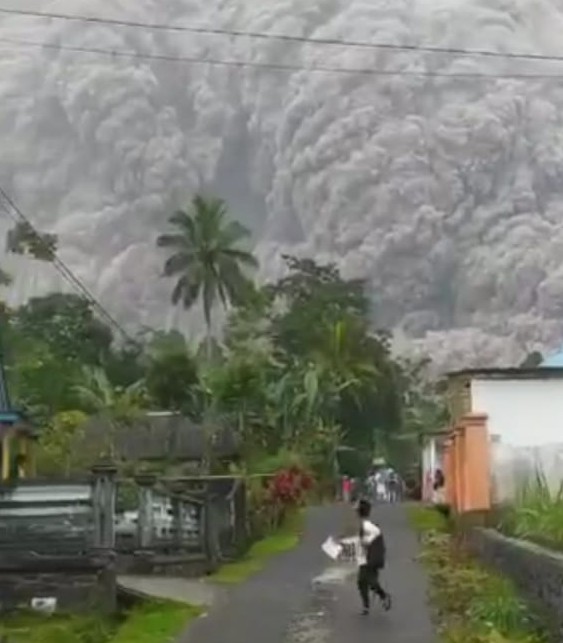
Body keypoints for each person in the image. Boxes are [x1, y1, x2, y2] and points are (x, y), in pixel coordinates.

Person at [350, 498, 392, 615]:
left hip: (371, 558)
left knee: (370, 581)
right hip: (365, 558)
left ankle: (383, 596)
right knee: (362, 581)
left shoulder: (368, 526)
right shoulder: (365, 525)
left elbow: (373, 539)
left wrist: (365, 542)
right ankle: (366, 606)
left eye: (357, 510)